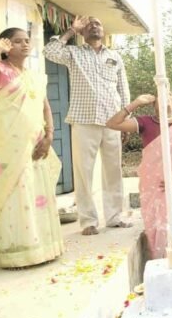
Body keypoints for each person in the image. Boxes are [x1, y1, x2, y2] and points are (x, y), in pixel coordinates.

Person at [0, 28, 63, 268]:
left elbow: (45, 107)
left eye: (27, 41)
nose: (24, 45)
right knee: (15, 193)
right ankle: (18, 253)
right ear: (6, 45)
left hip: (35, 143)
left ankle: (43, 248)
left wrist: (49, 137)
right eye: (17, 41)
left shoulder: (34, 75)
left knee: (37, 192)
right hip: (8, 145)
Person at [43, 16, 131, 235]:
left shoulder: (115, 57)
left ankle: (114, 216)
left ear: (103, 30)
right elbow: (50, 51)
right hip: (83, 120)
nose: (94, 26)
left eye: (98, 23)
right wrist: (71, 30)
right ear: (83, 32)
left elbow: (123, 89)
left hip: (113, 121)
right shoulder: (74, 54)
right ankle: (88, 221)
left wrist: (126, 121)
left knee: (113, 170)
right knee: (84, 172)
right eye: (89, 24)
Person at [105, 93, 172, 259]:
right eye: (159, 99)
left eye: (168, 96)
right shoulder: (146, 122)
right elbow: (112, 123)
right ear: (154, 106)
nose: (164, 99)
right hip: (154, 187)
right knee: (158, 227)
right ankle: (160, 261)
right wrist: (135, 103)